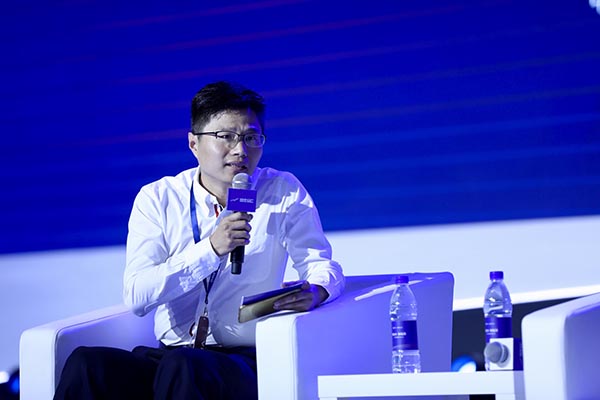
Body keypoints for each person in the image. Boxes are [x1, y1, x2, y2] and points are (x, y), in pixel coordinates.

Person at [54, 81, 345, 400]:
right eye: (226, 136)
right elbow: (138, 295)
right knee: (88, 365)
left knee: (186, 367)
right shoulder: (158, 198)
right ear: (194, 143)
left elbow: (321, 265)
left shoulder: (282, 191)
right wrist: (210, 249)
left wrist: (317, 290)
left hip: (243, 361)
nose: (241, 150)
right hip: (169, 355)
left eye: (251, 138)